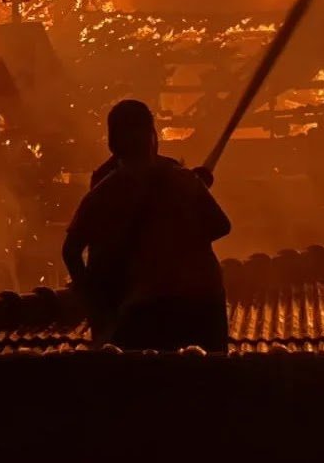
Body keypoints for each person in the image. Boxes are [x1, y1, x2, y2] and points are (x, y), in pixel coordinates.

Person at [62, 99, 231, 352]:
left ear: (113, 142)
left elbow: (71, 251)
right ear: (152, 136)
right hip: (200, 304)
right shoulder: (182, 180)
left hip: (141, 310)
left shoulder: (104, 191)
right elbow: (220, 225)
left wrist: (94, 301)